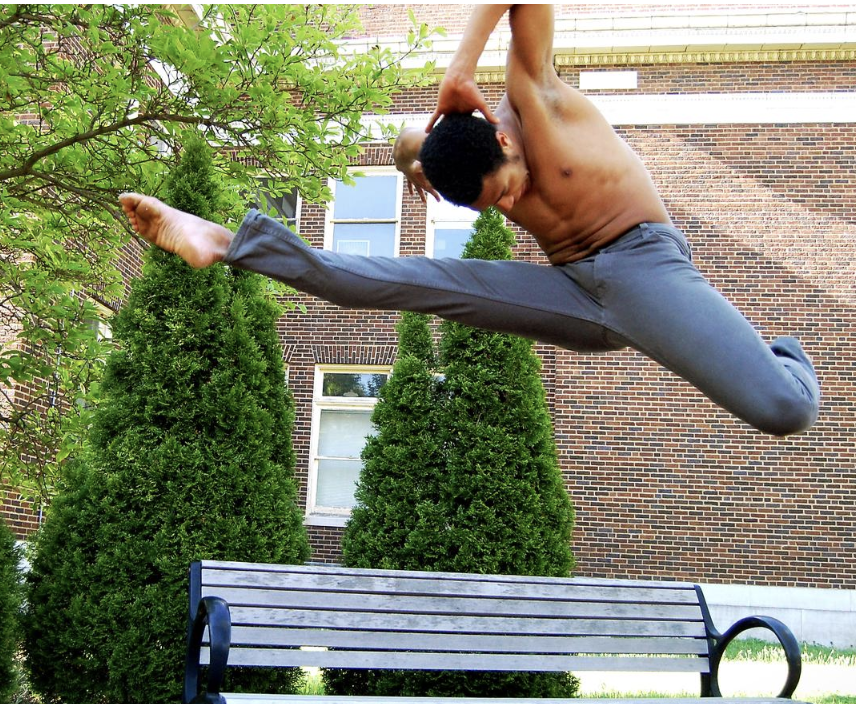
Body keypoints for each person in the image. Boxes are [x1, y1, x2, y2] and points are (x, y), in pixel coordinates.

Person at [119, 4, 819, 436]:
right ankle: (227, 240)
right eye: (493, 208)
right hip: (570, 290)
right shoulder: (451, 152)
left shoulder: (537, 100)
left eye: (506, 192)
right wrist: (411, 164)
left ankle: (775, 350)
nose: (511, 209)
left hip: (642, 272)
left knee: (785, 410)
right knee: (387, 281)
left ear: (508, 142)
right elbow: (407, 148)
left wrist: (459, 64)